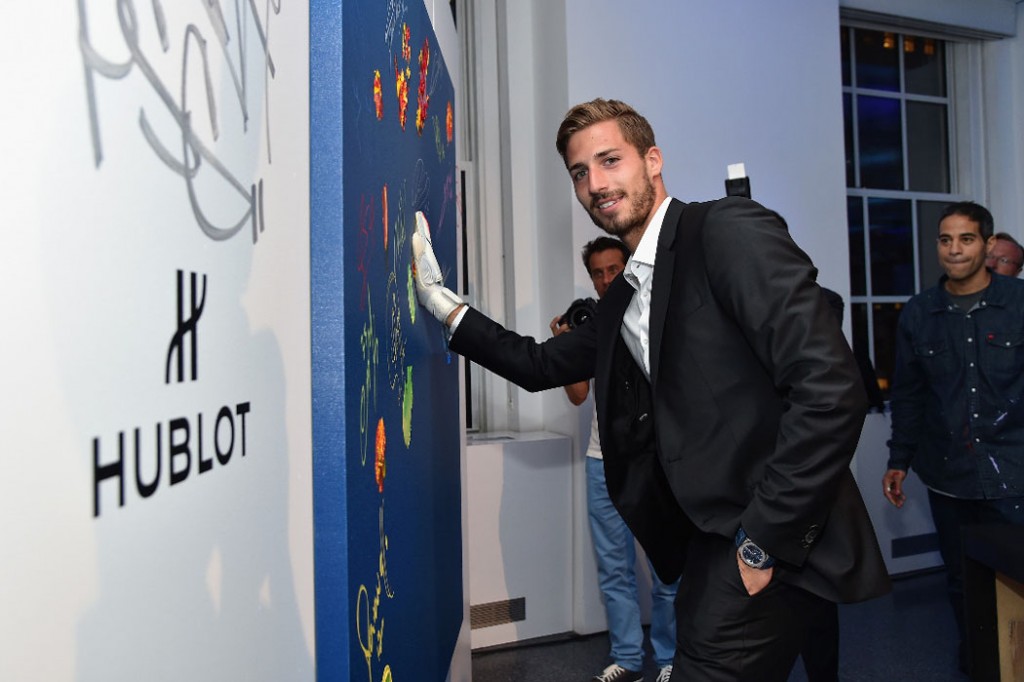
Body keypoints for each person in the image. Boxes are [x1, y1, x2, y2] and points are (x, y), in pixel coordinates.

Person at [413, 97, 889, 681]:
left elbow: (832, 387)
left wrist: (763, 540)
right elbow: (538, 364)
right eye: (580, 172)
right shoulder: (626, 294)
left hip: (770, 532)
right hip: (707, 544)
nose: (596, 184)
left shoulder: (723, 230)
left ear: (653, 160)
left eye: (610, 160)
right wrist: (446, 308)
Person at [883, 201, 1024, 674]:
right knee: (964, 583)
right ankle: (982, 664)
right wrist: (897, 460)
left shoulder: (1019, 305)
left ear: (987, 245)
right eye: (945, 240)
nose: (954, 249)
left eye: (966, 239)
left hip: (1016, 475)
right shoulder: (920, 314)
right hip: (949, 478)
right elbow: (909, 394)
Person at [550, 236, 678, 682]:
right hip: (601, 461)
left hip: (654, 461)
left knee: (667, 566)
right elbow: (579, 395)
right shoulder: (591, 326)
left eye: (612, 269)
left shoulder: (652, 315)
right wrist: (564, 348)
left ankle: (668, 660)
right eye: (597, 273)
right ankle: (627, 657)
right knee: (614, 569)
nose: (606, 279)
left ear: (629, 266)